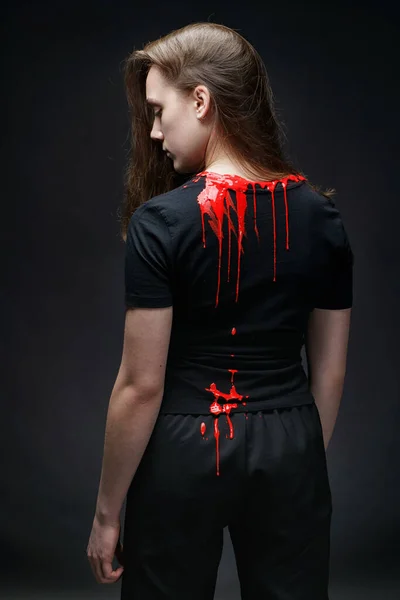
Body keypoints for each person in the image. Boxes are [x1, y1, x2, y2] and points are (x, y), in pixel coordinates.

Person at [86, 21, 353, 600]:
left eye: (160, 111)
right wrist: (301, 455)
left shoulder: (162, 223)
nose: (154, 132)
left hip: (183, 446)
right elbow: (328, 369)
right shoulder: (322, 219)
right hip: (290, 436)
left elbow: (139, 385)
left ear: (201, 100)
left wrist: (108, 514)